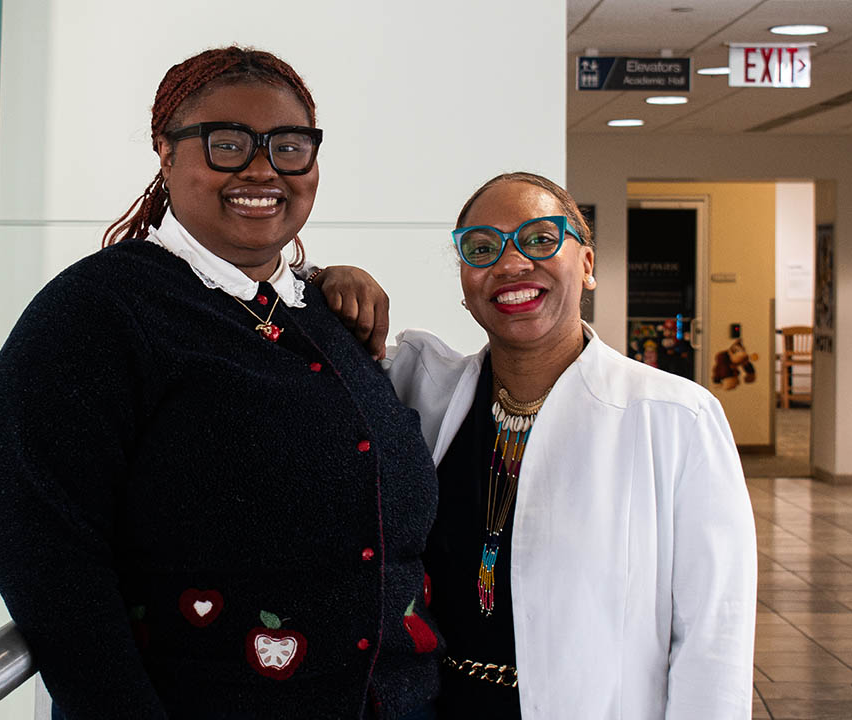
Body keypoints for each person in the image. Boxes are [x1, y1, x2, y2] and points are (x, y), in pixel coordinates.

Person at [0, 46, 442, 720]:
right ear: (166, 155)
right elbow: (47, 556)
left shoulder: (321, 314)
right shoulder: (96, 314)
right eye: (226, 144)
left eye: (289, 146)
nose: (261, 168)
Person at [319, 172, 757, 718]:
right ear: (463, 279)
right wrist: (326, 277)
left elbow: (715, 631)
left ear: (588, 265)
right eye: (481, 248)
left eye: (540, 239)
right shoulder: (423, 390)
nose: (510, 263)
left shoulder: (672, 418)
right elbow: (300, 342)